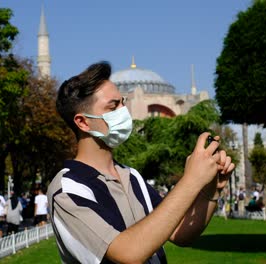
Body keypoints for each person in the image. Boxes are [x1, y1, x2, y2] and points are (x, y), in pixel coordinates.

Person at [47, 61, 235, 263]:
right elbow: (128, 252)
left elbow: (179, 233)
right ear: (83, 122)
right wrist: (192, 179)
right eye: (113, 106)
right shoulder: (67, 190)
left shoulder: (131, 176)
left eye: (122, 102)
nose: (123, 111)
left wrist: (210, 192)